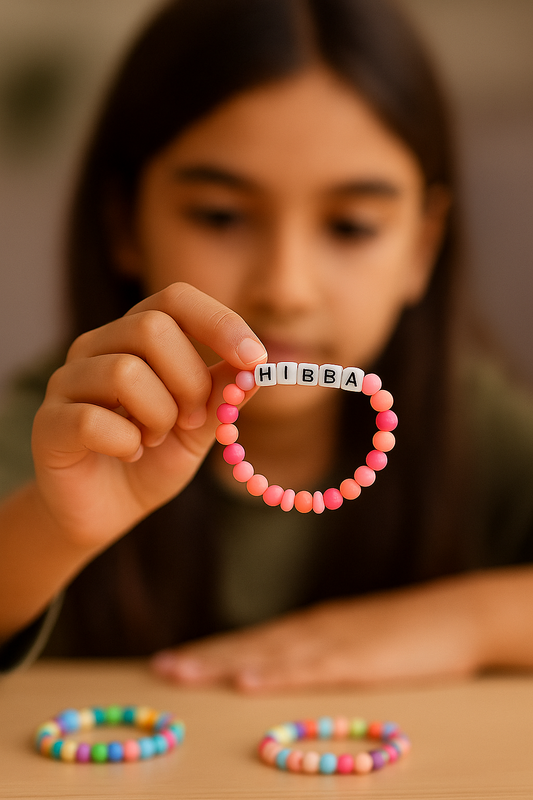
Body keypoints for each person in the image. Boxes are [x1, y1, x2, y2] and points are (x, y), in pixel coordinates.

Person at [2, 0, 533, 691]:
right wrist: (52, 523)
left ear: (420, 248)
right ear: (123, 225)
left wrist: (463, 622)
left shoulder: (473, 426)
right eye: (220, 216)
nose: (284, 288)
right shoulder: (57, 436)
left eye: (349, 227)